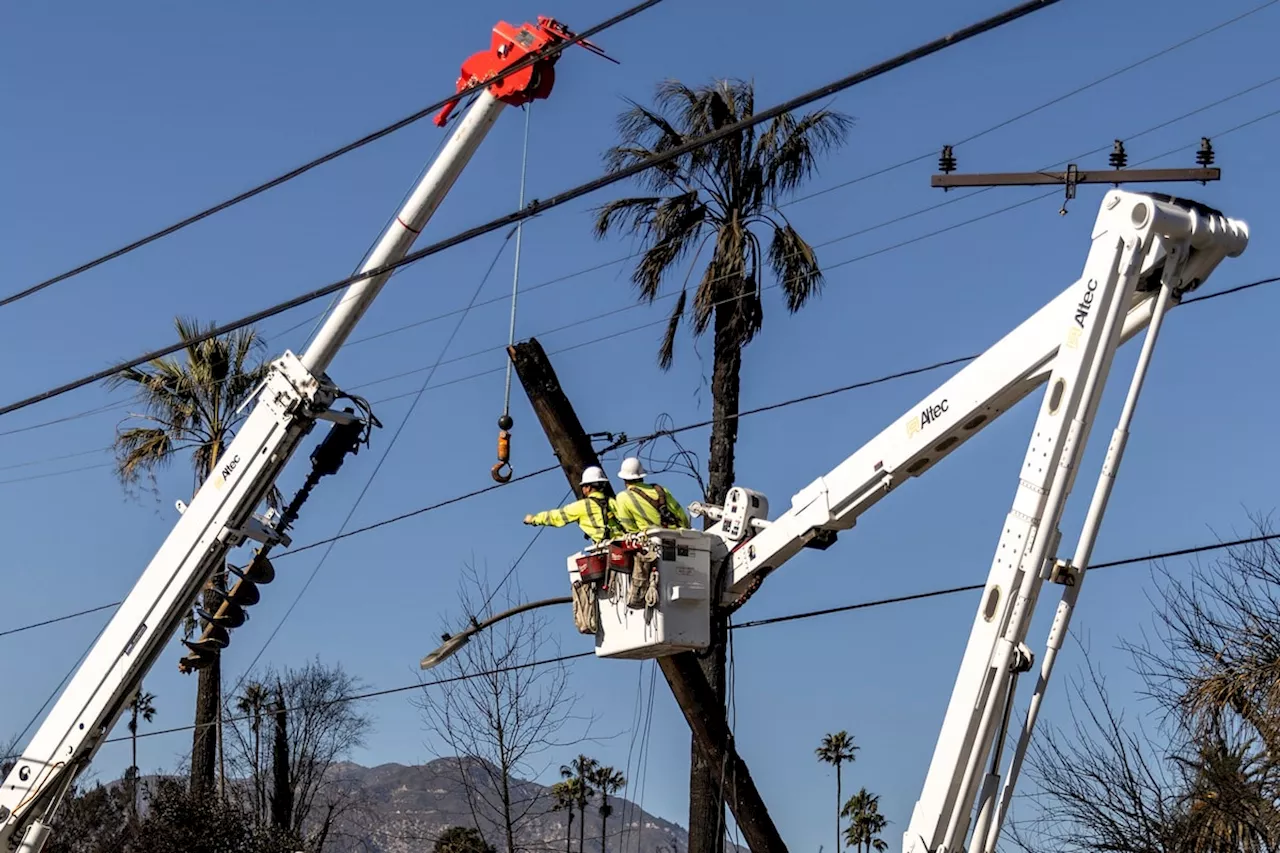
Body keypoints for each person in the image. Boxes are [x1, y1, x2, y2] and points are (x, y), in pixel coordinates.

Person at [523, 465, 623, 544]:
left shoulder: (582, 506)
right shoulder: (612, 502)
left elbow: (558, 517)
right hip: (623, 544)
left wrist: (534, 519)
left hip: (607, 548)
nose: (583, 489)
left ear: (588, 487)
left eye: (583, 486)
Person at [613, 457, 691, 533]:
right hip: (677, 536)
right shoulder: (661, 490)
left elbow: (629, 526)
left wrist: (636, 533)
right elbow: (681, 514)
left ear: (624, 479)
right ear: (642, 476)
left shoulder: (622, 497)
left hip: (652, 539)